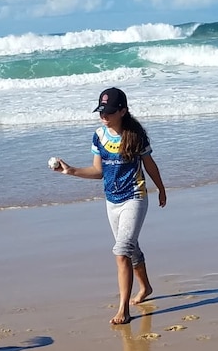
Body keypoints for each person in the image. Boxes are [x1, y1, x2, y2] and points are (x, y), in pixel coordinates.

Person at [52, 87, 166, 325]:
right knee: (130, 249)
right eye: (101, 111)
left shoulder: (136, 136)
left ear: (122, 111)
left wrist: (162, 188)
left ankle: (123, 309)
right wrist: (70, 170)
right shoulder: (99, 136)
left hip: (135, 197)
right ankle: (145, 288)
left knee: (121, 250)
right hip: (111, 200)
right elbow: (97, 171)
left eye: (110, 111)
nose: (104, 115)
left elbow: (150, 164)